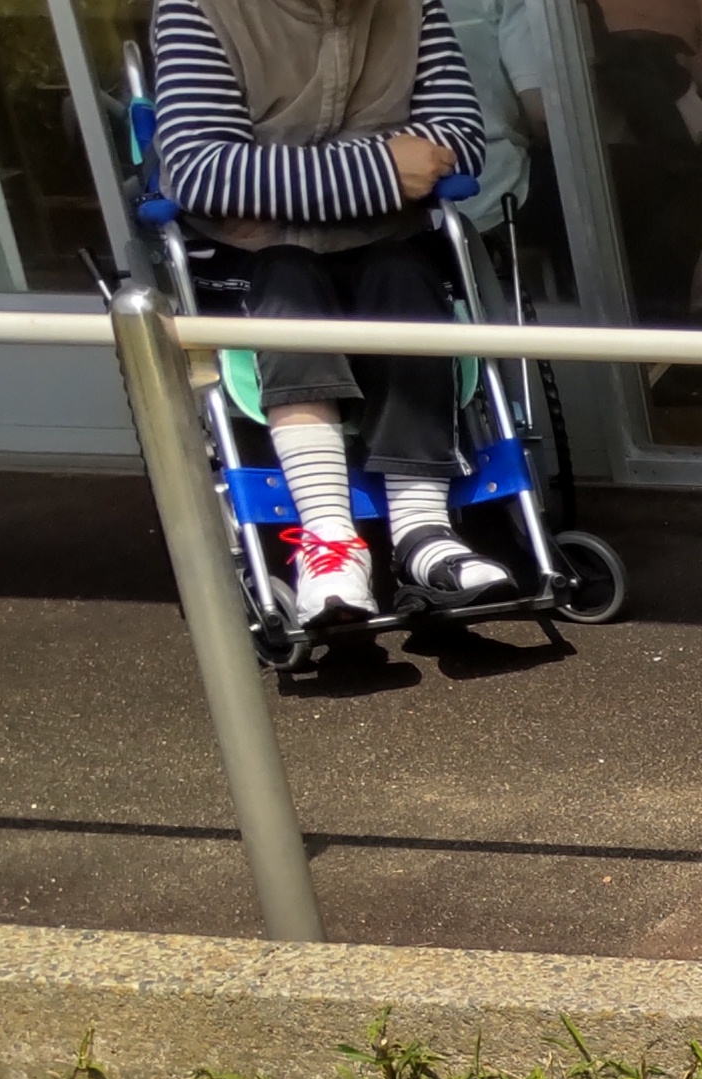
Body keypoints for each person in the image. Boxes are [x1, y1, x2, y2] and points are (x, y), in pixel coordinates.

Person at [148, 0, 513, 627]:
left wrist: (280, 179)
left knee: (406, 278)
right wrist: (383, 167)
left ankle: (423, 534)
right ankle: (330, 542)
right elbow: (202, 172)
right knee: (289, 285)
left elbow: (456, 142)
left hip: (385, 242)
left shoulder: (412, 9)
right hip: (256, 257)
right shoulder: (197, 9)